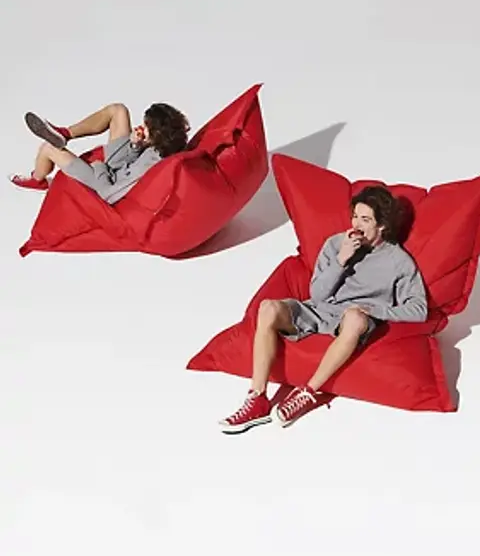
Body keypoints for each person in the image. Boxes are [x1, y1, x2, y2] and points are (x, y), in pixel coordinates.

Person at [219, 184, 429, 433]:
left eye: (365, 219)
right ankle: (257, 398)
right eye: (355, 216)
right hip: (321, 311)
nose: (356, 224)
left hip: (354, 320)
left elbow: (419, 309)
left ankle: (307, 392)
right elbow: (317, 294)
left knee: (354, 318)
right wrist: (341, 259)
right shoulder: (336, 244)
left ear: (382, 225)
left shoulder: (399, 262)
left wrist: (374, 310)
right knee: (268, 308)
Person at [11, 101, 190, 204]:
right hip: (118, 167)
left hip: (104, 180)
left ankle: (37, 179)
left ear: (158, 134)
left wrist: (99, 167)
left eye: (146, 126)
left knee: (47, 148)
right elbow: (127, 163)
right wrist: (136, 145)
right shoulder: (166, 145)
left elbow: (108, 193)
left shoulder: (149, 165)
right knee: (118, 110)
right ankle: (65, 134)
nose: (141, 126)